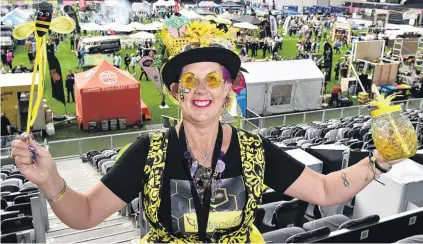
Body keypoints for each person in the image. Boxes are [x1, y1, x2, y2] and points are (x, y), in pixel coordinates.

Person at [10, 18, 404, 243]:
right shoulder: (149, 151)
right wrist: (51, 181)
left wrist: (378, 163)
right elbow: (86, 215)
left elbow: (324, 190)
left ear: (229, 90)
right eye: (190, 80)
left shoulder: (254, 149)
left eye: (213, 79)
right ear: (175, 91)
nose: (201, 89)